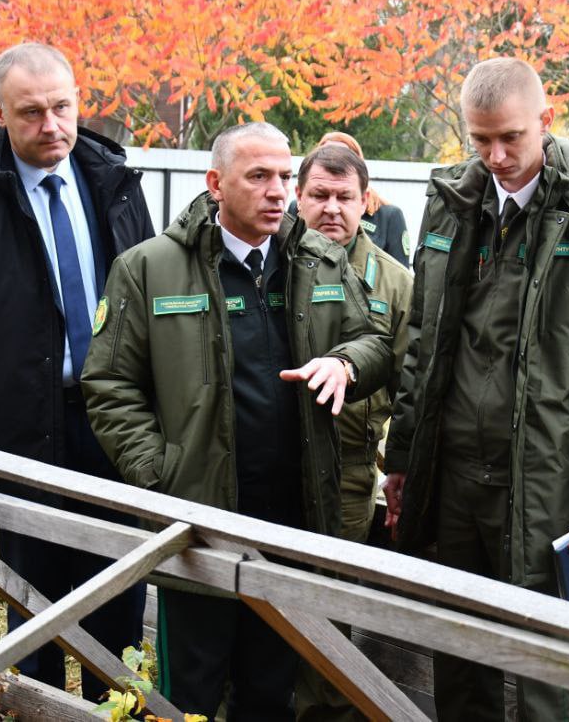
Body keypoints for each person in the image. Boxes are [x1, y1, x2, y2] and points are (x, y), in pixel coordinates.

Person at [382, 57, 569, 722]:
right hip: (454, 470)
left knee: (544, 656)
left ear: (546, 120)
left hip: (546, 473)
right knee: (459, 639)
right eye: (480, 140)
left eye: (512, 137)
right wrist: (401, 461)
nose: (497, 156)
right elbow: (424, 339)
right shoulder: (451, 202)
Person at [81, 122, 393, 720]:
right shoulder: (149, 268)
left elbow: (374, 341)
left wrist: (344, 362)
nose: (278, 191)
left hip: (293, 520)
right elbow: (110, 382)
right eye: (259, 177)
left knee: (270, 686)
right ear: (216, 184)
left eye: (283, 175)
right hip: (199, 518)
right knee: (190, 690)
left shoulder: (321, 261)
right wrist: (159, 472)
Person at [0, 42, 154, 699]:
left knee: (118, 613)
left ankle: (115, 712)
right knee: (36, 618)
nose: (52, 126)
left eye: (62, 107)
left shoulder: (116, 186)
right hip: (21, 438)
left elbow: (153, 316)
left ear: (80, 99)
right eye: (31, 112)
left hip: (112, 430)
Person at [291, 142, 413, 722]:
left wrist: (400, 468)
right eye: (319, 195)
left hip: (351, 467)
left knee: (329, 605)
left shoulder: (394, 282)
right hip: (278, 462)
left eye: (345, 197)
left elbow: (414, 383)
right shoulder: (275, 265)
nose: (332, 209)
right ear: (299, 198)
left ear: (368, 202)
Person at [287, 131, 413, 266]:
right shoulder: (298, 207)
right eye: (327, 153)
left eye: (344, 197)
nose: (332, 209)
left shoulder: (388, 215)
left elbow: (398, 270)